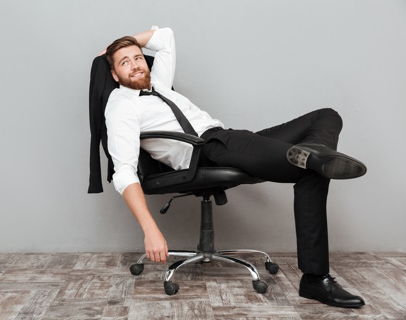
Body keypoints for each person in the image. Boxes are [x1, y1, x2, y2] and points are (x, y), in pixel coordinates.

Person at [99, 26, 367, 308]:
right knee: (309, 166)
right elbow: (124, 170)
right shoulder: (120, 106)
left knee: (325, 117)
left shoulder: (160, 84)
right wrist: (149, 229)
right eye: (124, 62)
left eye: (138, 58)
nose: (135, 65)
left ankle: (315, 154)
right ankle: (316, 276)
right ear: (115, 75)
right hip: (206, 151)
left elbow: (164, 37)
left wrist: (115, 47)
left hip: (229, 139)